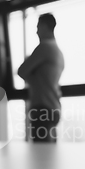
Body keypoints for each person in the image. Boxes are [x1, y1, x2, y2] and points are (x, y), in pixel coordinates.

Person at [18, 13, 64, 142]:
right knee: (49, 153)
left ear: (44, 26)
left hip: (42, 108)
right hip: (53, 107)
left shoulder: (44, 48)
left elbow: (22, 71)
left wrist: (30, 68)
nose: (36, 31)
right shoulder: (57, 51)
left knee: (41, 156)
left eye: (38, 27)